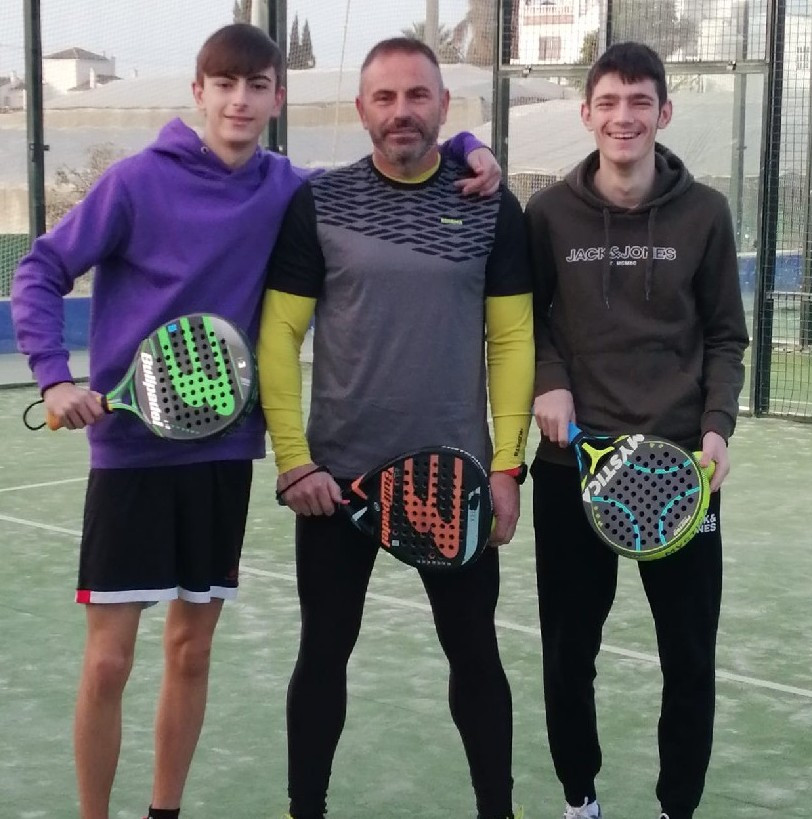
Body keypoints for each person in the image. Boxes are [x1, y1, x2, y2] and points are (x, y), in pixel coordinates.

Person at [10, 23, 501, 819]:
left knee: (190, 650)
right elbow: (40, 268)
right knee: (107, 664)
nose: (239, 100)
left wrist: (467, 146)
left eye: (257, 85)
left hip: (222, 456)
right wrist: (53, 375)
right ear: (198, 93)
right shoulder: (134, 182)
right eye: (224, 84)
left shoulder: (289, 190)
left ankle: (163, 811)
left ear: (277, 99)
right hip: (130, 457)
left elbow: (392, 153)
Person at [257, 36, 534, 819]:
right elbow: (278, 335)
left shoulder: (489, 204)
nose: (401, 111)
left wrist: (505, 466)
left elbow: (512, 340)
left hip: (452, 483)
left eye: (417, 95)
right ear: (361, 109)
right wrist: (294, 461)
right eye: (384, 97)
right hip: (337, 482)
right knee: (322, 653)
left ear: (444, 106)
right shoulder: (320, 203)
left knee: (474, 656)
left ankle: (496, 810)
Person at [523, 42, 749, 819]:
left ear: (663, 112)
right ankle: (579, 797)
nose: (623, 117)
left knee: (687, 657)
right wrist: (548, 380)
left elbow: (725, 336)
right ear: (586, 113)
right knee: (567, 652)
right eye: (609, 102)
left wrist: (715, 428)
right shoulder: (546, 214)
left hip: (679, 470)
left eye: (639, 102)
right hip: (571, 469)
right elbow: (527, 320)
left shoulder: (705, 213)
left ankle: (674, 807)